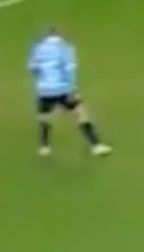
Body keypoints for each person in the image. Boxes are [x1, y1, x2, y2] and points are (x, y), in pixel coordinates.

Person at [27, 29, 112, 157]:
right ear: (59, 36)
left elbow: (33, 68)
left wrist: (42, 82)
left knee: (46, 117)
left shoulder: (37, 48)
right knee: (81, 114)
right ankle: (96, 146)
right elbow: (69, 69)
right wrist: (72, 89)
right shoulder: (65, 48)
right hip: (63, 89)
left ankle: (44, 147)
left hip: (44, 90)